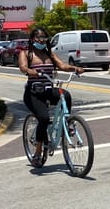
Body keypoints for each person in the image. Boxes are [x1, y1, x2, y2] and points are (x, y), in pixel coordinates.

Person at [18, 27, 84, 166]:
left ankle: (67, 122)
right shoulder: (26, 53)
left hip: (48, 90)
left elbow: (62, 65)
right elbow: (23, 67)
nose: (42, 41)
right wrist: (31, 71)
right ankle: (37, 152)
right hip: (33, 93)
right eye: (39, 38)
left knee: (65, 95)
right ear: (32, 39)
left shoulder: (49, 54)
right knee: (44, 118)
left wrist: (75, 68)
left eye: (44, 38)